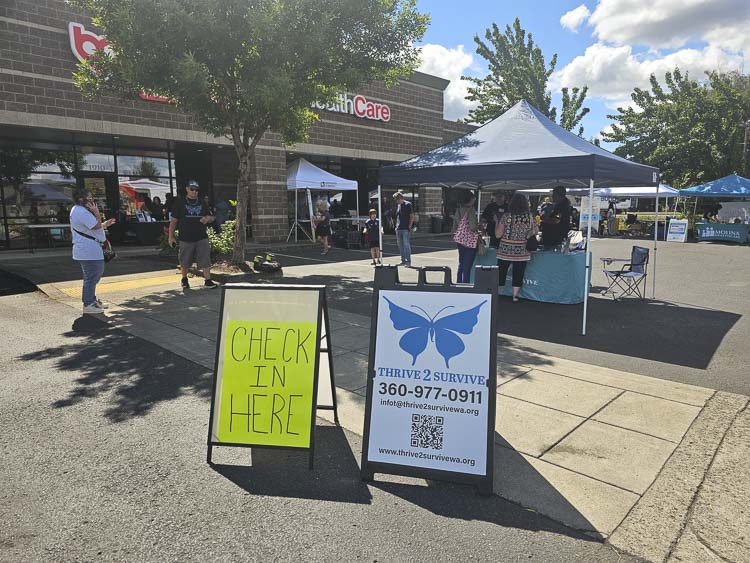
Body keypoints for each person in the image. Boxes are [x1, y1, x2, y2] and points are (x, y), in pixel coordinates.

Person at [70, 188, 116, 314]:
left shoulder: (79, 210)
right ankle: (88, 303)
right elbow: (95, 225)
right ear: (81, 199)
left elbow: (91, 227)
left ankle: (91, 300)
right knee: (92, 277)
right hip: (88, 250)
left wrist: (104, 224)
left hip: (88, 249)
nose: (92, 202)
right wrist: (97, 213)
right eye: (90, 199)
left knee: (92, 276)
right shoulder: (82, 212)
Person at [168, 180, 218, 290]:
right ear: (187, 189)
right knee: (185, 260)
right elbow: (173, 221)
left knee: (205, 258)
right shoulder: (179, 203)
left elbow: (212, 217)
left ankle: (208, 280)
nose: (194, 192)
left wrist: (208, 219)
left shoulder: (202, 203)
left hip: (201, 237)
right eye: (192, 189)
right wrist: (171, 237)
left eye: (196, 190)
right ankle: (184, 279)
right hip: (186, 238)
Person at [496, 193, 538, 302]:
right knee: (518, 273)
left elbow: (498, 234)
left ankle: (499, 293)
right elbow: (536, 230)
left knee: (501, 271)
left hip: (505, 249)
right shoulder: (530, 217)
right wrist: (527, 234)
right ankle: (515, 296)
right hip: (522, 250)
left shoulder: (506, 216)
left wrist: (497, 222)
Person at [453, 192, 480, 283]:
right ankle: (466, 283)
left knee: (461, 262)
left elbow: (455, 226)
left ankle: (459, 282)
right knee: (467, 264)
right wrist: (479, 227)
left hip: (460, 239)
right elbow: (472, 227)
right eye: (474, 198)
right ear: (470, 199)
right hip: (469, 240)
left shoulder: (458, 209)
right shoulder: (471, 210)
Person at [394, 191, 413, 266]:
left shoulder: (408, 204)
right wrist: (396, 227)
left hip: (405, 228)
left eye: (397, 200)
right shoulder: (399, 206)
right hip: (399, 228)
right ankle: (403, 260)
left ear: (400, 198)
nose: (396, 201)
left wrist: (409, 226)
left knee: (406, 245)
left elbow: (411, 216)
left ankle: (408, 261)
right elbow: (398, 216)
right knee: (400, 245)